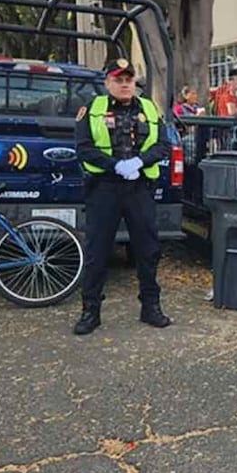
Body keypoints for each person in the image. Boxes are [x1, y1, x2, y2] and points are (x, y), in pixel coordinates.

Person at [73, 59, 172, 335]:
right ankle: (90, 311)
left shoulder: (149, 108)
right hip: (104, 187)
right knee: (97, 251)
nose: (125, 84)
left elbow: (164, 144)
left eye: (129, 79)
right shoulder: (91, 109)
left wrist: (138, 162)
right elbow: (83, 148)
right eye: (119, 79)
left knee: (148, 249)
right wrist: (115, 165)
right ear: (108, 83)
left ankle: (150, 307)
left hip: (139, 188)